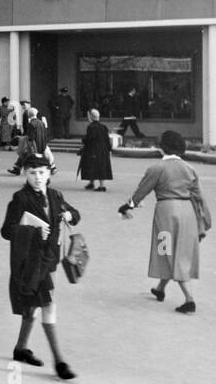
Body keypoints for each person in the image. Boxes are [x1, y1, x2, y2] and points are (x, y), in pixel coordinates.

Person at [1, 154, 79, 380]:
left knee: (33, 305)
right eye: (32, 173)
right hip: (31, 262)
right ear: (25, 173)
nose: (37, 177)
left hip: (49, 260)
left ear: (49, 173)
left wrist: (69, 214)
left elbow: (76, 214)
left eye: (42, 172)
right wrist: (33, 231)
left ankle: (20, 348)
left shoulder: (56, 196)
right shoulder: (20, 199)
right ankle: (59, 361)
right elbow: (7, 230)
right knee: (48, 305)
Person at [120, 130, 208, 314]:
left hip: (166, 213)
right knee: (180, 252)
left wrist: (128, 206)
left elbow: (141, 191)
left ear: (163, 147)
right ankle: (160, 289)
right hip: (188, 214)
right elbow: (200, 197)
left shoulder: (156, 168)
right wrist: (204, 222)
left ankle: (189, 299)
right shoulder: (189, 168)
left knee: (166, 251)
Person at [76, 108, 113, 192]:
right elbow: (107, 139)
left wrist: (83, 140)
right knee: (99, 166)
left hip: (93, 150)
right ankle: (92, 183)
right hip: (103, 150)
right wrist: (109, 149)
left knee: (93, 165)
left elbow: (89, 138)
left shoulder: (91, 127)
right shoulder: (103, 127)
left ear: (91, 117)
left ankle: (101, 186)